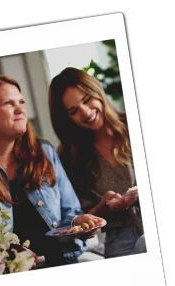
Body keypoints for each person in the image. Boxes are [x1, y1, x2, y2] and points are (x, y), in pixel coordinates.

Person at [0, 74, 101, 268]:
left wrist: (79, 222)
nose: (20, 109)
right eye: (8, 103)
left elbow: (70, 212)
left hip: (63, 263)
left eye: (21, 101)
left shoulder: (44, 152)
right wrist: (11, 255)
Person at [49, 67, 146, 259]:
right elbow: (81, 217)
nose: (85, 113)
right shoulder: (71, 158)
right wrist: (104, 205)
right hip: (120, 239)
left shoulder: (134, 124)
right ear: (67, 118)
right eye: (73, 111)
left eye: (86, 100)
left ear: (97, 91)